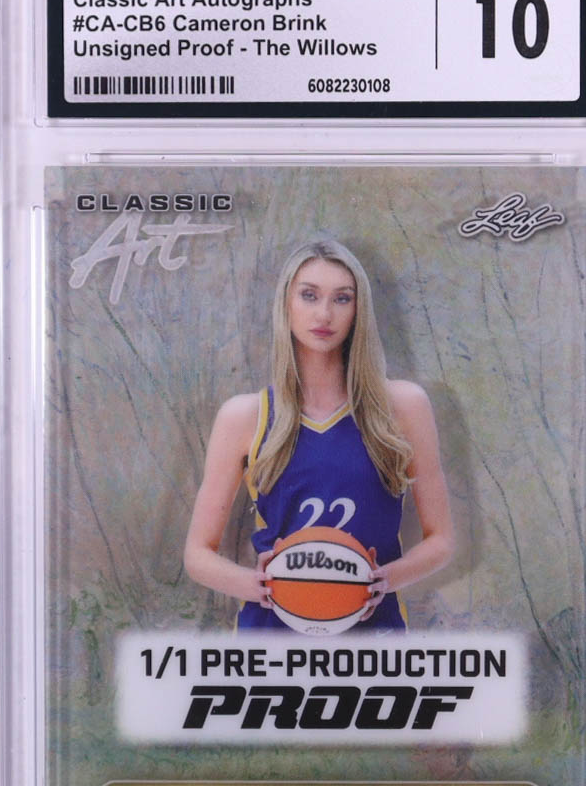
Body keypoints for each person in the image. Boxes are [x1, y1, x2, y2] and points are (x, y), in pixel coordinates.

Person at [184, 237, 454, 631]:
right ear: (286, 304)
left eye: (342, 298)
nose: (324, 313)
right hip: (274, 637)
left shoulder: (403, 406)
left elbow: (441, 540)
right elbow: (197, 554)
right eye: (309, 295)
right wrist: (259, 585)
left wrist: (383, 580)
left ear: (358, 310)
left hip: (372, 635)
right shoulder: (245, 416)